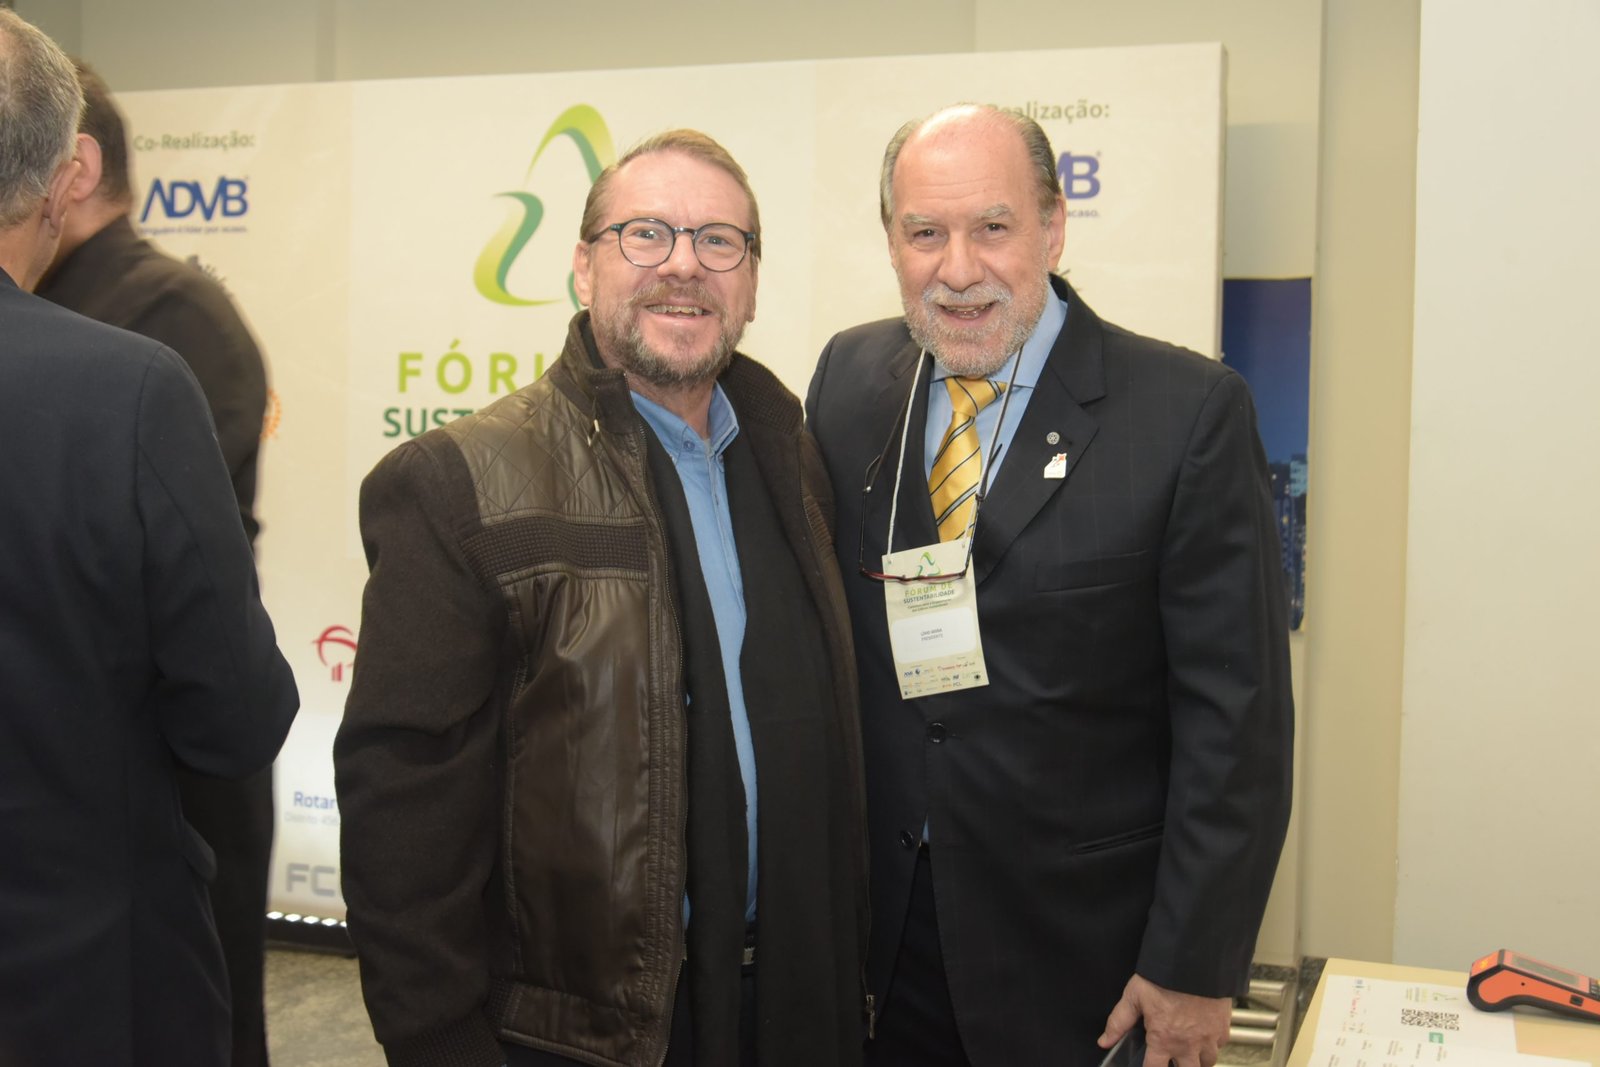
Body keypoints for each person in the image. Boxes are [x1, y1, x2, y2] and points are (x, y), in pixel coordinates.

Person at [335, 129, 869, 1067]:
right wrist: (441, 1044)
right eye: (646, 233)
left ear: (751, 282)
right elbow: (402, 808)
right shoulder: (459, 485)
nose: (684, 266)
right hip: (580, 1037)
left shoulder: (793, 459)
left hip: (794, 1002)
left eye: (719, 241)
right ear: (584, 268)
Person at [805, 104, 1294, 1067]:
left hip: (1086, 964)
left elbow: (1236, 722)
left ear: (1054, 227)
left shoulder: (1185, 413)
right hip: (883, 953)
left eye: (993, 226)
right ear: (892, 240)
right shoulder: (848, 379)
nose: (958, 270)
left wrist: (1193, 964)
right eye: (925, 233)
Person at [0, 10, 299, 1065]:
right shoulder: (122, 382)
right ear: (56, 176)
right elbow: (230, 699)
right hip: (78, 950)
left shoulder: (172, 316)